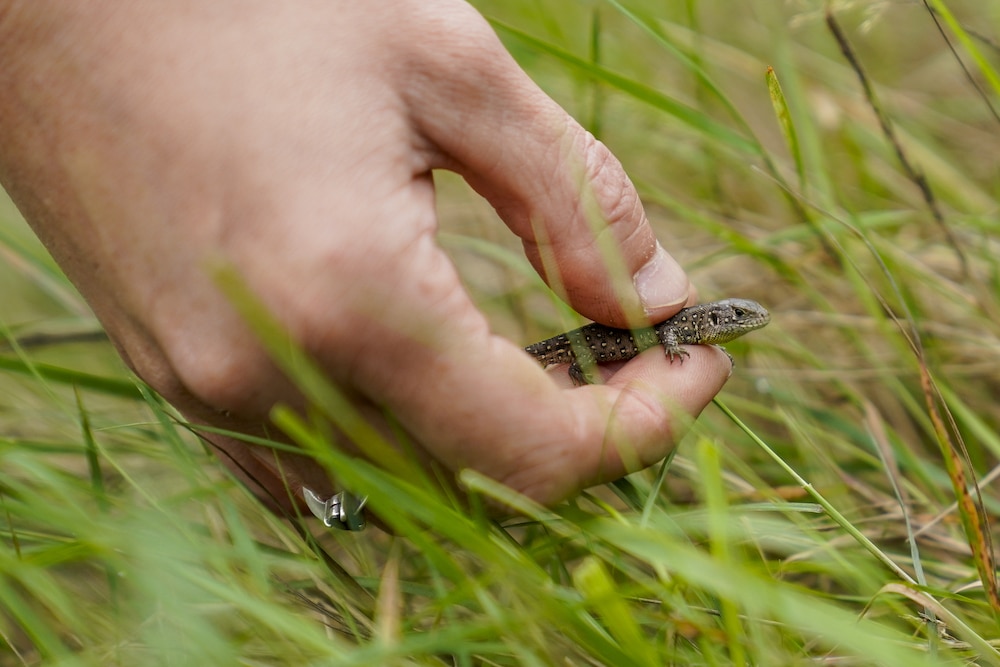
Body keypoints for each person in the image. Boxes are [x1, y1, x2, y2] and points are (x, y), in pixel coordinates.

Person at [0, 1, 734, 521]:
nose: (740, 323)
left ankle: (343, 508)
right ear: (714, 321)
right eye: (736, 317)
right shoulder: (682, 327)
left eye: (739, 317)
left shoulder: (685, 328)